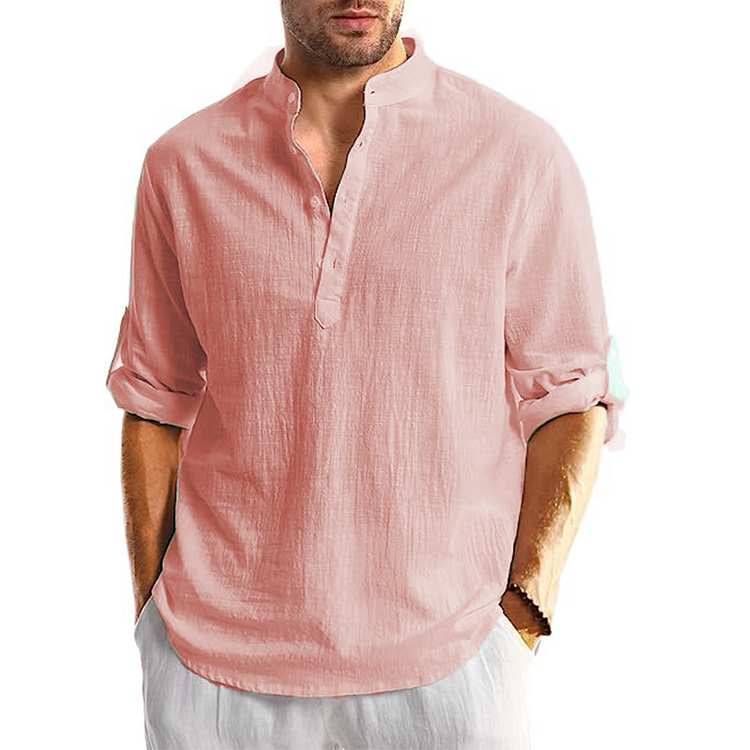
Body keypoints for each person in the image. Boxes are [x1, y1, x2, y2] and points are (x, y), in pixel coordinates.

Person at [106, 2, 628, 748]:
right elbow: (155, 399)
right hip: (211, 672)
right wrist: (151, 613)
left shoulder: (518, 154)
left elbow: (571, 396)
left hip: (450, 664)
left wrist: (521, 613)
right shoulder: (182, 163)